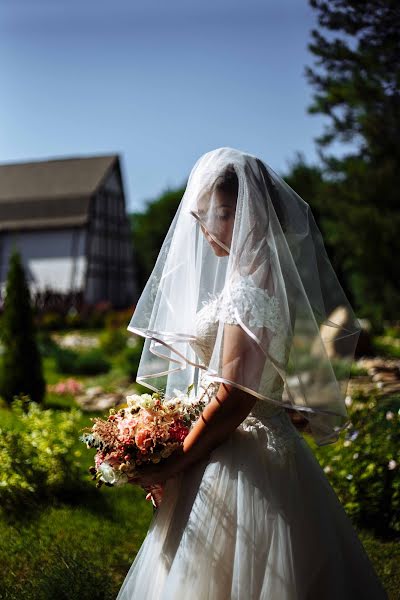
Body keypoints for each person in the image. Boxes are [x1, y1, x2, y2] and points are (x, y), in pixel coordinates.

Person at [116, 147, 388, 599]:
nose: (205, 230)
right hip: (238, 446)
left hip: (242, 459)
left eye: (218, 214)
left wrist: (172, 462)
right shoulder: (256, 279)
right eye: (201, 216)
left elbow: (235, 398)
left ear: (249, 214)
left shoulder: (247, 290)